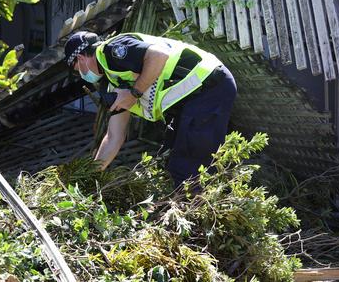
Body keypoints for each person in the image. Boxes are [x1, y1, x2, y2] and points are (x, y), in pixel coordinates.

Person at [64, 31, 237, 188]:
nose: (83, 75)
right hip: (189, 101)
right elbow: (114, 137)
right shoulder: (111, 83)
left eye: (79, 70)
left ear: (80, 58)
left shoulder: (112, 50)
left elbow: (159, 56)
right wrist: (91, 174)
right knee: (167, 162)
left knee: (186, 169)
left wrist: (133, 94)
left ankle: (192, 215)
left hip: (209, 85)